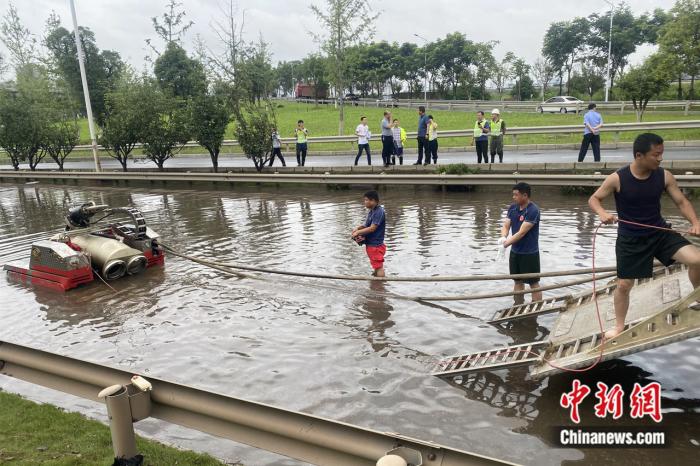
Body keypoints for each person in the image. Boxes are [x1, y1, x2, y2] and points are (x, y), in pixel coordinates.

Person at [588, 133, 700, 338]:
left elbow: (682, 202)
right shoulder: (617, 178)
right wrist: (603, 213)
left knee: (697, 259)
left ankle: (698, 298)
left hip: (660, 233)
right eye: (656, 155)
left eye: (661, 154)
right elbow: (594, 199)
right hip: (631, 239)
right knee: (624, 285)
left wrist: (695, 222)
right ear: (639, 155)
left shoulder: (664, 176)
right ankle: (619, 327)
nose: (660, 159)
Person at [499, 182, 542, 305]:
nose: (514, 197)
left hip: (529, 253)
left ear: (525, 195)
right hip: (515, 252)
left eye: (516, 195)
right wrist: (503, 237)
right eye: (513, 195)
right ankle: (518, 305)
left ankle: (537, 307)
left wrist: (505, 245)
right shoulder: (513, 208)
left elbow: (521, 233)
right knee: (517, 281)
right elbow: (506, 225)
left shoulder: (533, 210)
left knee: (533, 283)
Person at [351, 190, 386, 277]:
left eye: (367, 200)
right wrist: (358, 229)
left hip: (375, 245)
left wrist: (358, 232)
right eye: (365, 200)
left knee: (379, 267)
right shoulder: (372, 211)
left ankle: (380, 287)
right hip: (372, 244)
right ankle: (375, 283)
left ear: (373, 201)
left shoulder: (379, 211)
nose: (365, 202)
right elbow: (366, 226)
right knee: (376, 266)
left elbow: (372, 228)